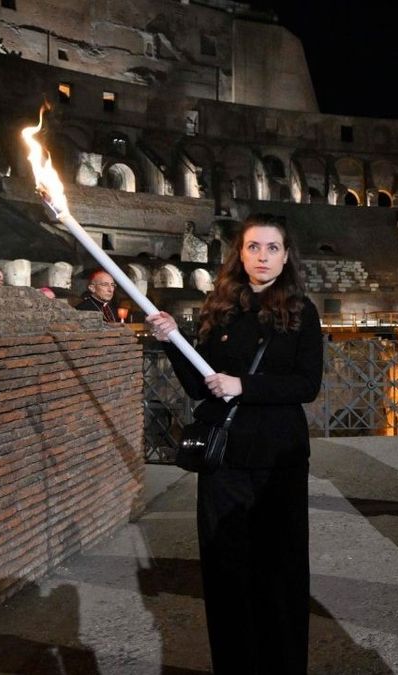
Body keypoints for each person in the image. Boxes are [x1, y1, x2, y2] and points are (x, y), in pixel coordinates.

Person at [147, 214, 322, 674]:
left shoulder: (302, 311)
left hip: (277, 461)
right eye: (253, 247)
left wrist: (244, 386)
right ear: (239, 254)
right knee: (227, 574)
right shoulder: (221, 306)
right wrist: (171, 342)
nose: (262, 257)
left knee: (278, 574)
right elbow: (201, 386)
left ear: (286, 256)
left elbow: (307, 384)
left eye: (272, 248)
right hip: (223, 461)